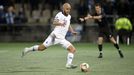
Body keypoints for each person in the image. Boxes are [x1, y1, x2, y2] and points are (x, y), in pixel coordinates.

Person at [22, 3, 77, 69]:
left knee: (72, 49)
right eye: (67, 9)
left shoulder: (69, 16)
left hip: (61, 39)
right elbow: (54, 22)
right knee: (41, 48)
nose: (68, 10)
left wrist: (72, 31)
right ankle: (28, 49)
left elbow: (68, 24)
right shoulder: (59, 15)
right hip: (54, 36)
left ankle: (68, 64)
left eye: (69, 9)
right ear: (63, 8)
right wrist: (61, 23)